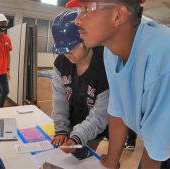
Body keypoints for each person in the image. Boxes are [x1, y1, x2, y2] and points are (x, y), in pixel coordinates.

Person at [66, 0, 170, 168]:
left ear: (119, 15)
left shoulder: (166, 57)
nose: (77, 20)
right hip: (155, 141)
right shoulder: (111, 52)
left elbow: (157, 143)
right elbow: (118, 108)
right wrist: (111, 161)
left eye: (86, 9)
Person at [50, 11, 110, 153]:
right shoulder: (61, 63)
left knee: (84, 155)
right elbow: (59, 100)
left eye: (71, 49)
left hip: (95, 126)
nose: (67, 54)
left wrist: (78, 137)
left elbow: (100, 113)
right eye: (62, 50)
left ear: (85, 39)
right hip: (71, 121)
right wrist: (60, 130)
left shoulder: (104, 65)